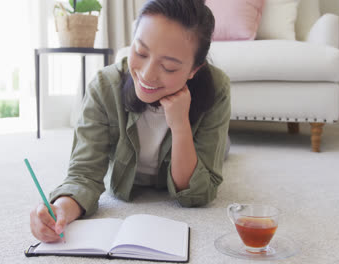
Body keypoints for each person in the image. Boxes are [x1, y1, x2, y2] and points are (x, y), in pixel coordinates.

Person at [30, 0, 231, 243]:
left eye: (168, 67)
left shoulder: (217, 87)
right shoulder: (104, 86)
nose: (146, 74)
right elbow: (84, 175)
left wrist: (180, 127)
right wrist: (60, 209)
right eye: (141, 53)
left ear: (194, 70)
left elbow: (197, 195)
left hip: (194, 135)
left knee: (225, 151)